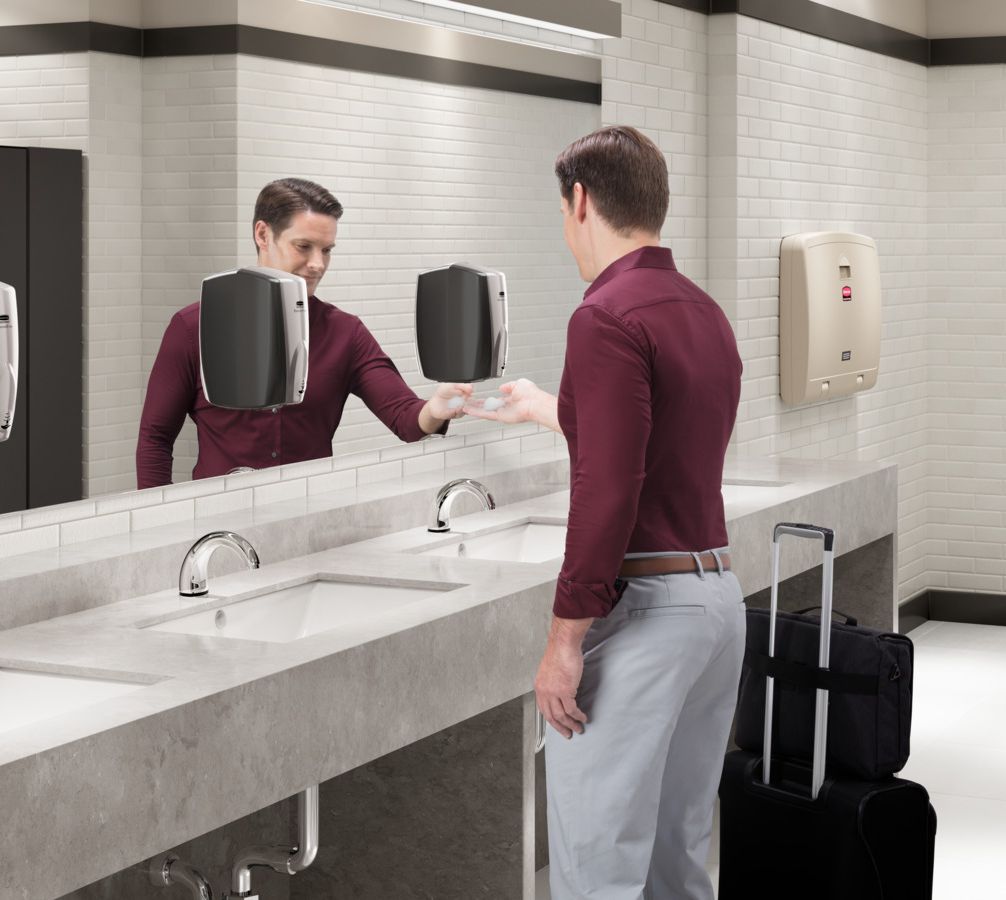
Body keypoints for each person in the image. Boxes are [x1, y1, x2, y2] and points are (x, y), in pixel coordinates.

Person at [465, 126, 744, 899]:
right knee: (676, 858)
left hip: (648, 614)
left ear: (580, 201)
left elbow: (609, 488)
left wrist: (564, 640)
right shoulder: (702, 312)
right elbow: (661, 443)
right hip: (716, 603)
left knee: (597, 867)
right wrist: (555, 410)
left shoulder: (603, 316)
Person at [136, 178, 470, 488]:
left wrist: (437, 408)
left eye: (326, 250)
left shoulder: (346, 333)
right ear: (263, 235)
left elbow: (406, 419)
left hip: (310, 515)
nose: (318, 264)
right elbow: (155, 439)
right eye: (304, 246)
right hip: (219, 518)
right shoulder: (191, 327)